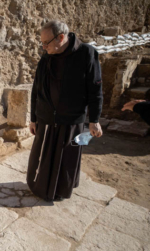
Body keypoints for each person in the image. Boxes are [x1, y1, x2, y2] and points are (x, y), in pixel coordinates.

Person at [27, 20, 103, 202]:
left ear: (61, 37)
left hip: (72, 120)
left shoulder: (86, 53)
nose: (43, 47)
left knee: (68, 159)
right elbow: (36, 90)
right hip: (47, 119)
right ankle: (40, 188)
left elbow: (95, 90)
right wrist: (33, 118)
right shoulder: (46, 57)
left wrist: (94, 119)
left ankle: (61, 190)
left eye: (46, 42)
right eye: (42, 43)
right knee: (43, 158)